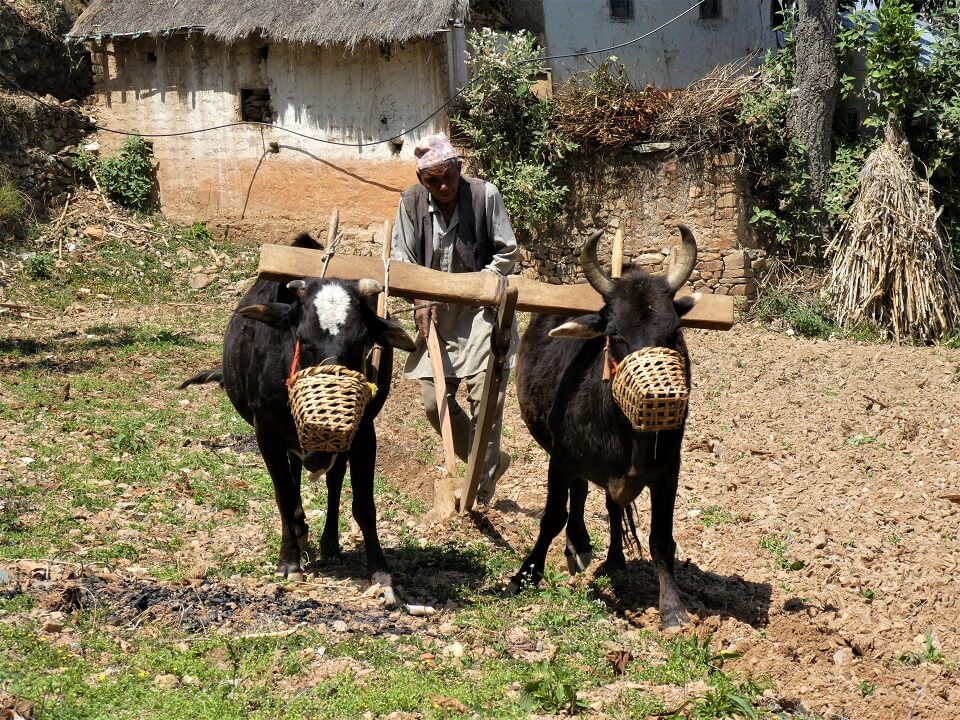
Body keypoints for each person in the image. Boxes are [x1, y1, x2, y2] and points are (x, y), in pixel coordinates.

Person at [391, 132, 518, 507]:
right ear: (421, 181)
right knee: (434, 403)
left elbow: (507, 251)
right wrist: (420, 297)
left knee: (485, 404)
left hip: (480, 312)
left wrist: (482, 284)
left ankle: (480, 488)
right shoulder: (410, 203)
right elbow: (403, 260)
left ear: (459, 169)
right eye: (433, 180)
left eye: (449, 176)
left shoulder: (483, 195)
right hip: (436, 314)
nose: (444, 186)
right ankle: (489, 463)